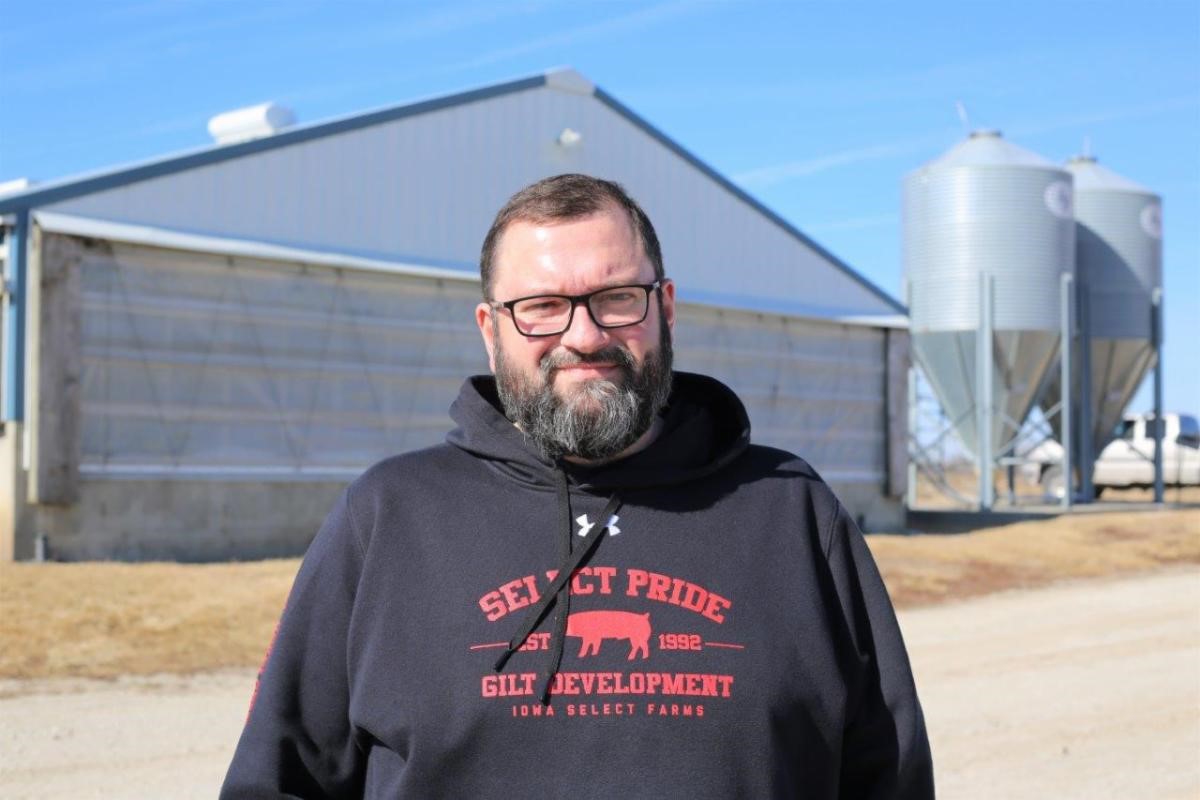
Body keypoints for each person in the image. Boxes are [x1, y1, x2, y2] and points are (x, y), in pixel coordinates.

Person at [221, 174, 934, 798]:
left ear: (667, 307)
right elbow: (279, 782)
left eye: (617, 297)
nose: (585, 335)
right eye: (541, 306)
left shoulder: (792, 512)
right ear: (490, 329)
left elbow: (888, 777)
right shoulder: (388, 517)